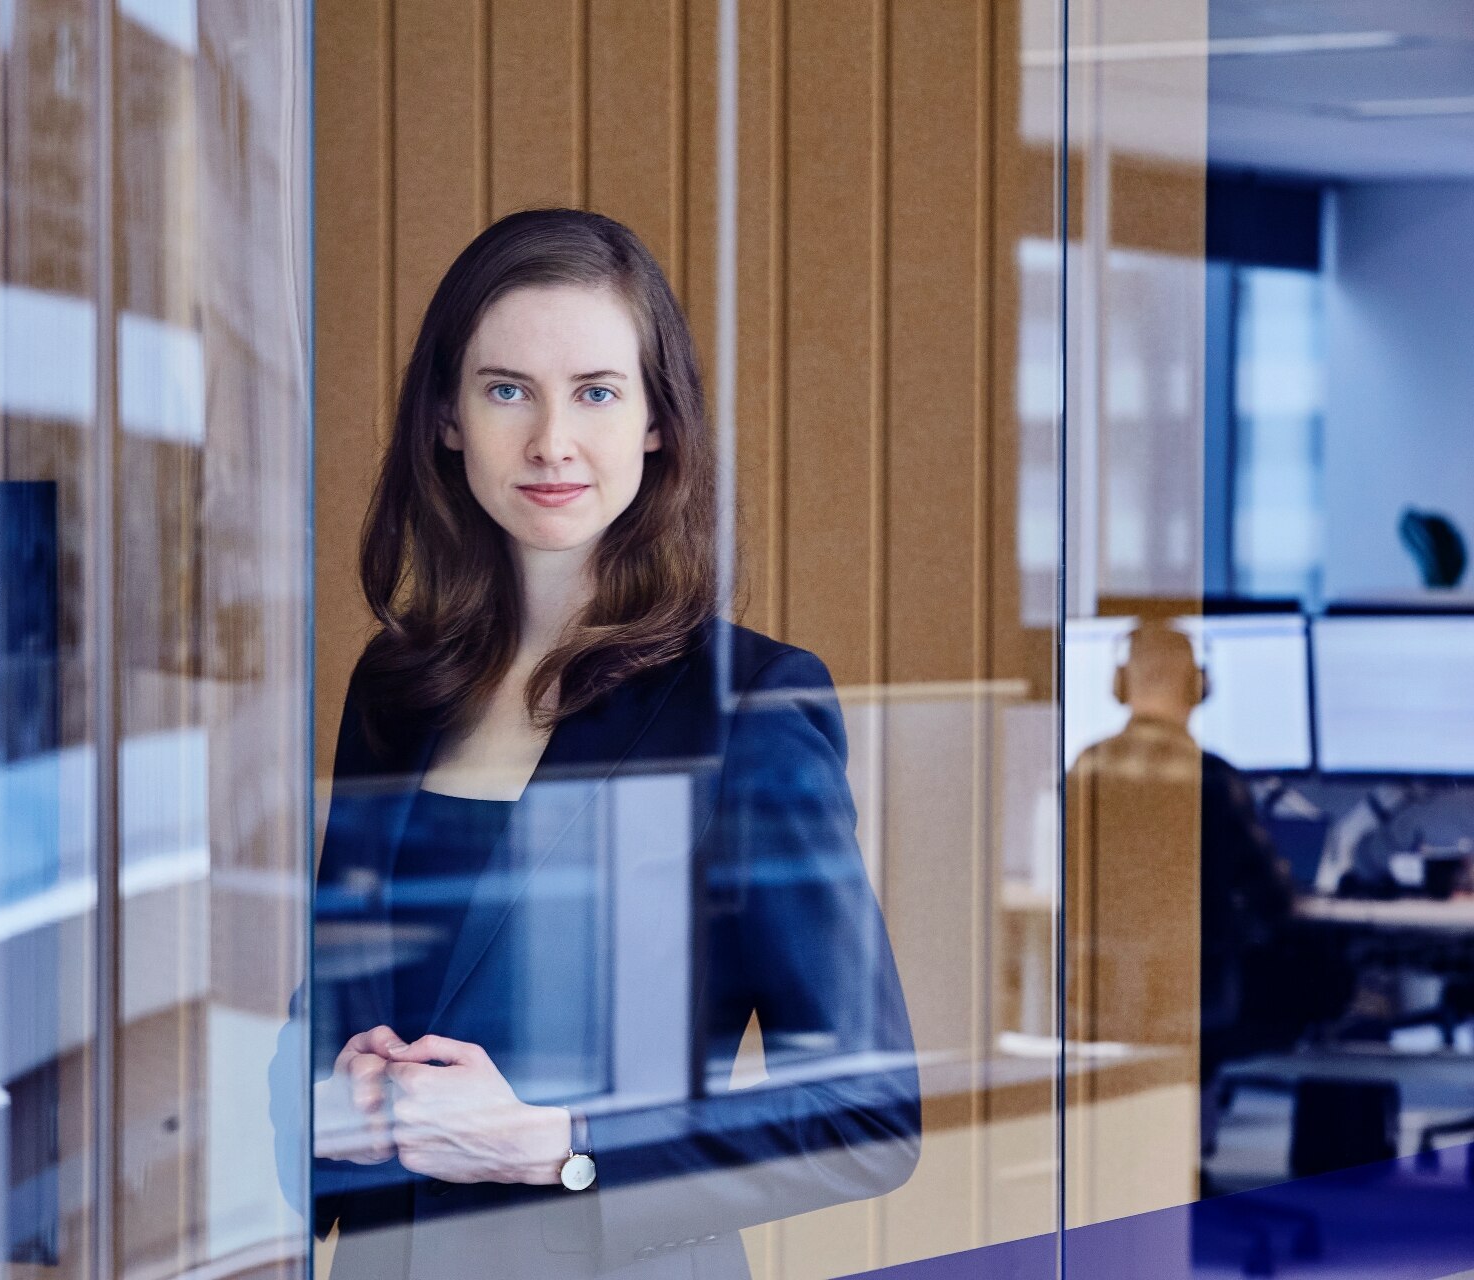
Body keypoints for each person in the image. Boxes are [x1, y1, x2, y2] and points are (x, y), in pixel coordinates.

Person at [273, 209, 919, 1279]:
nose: (551, 441)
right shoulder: (394, 689)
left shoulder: (749, 704)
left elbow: (866, 1114)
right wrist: (323, 1111)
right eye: (506, 388)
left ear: (658, 422)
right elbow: (330, 1003)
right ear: (447, 416)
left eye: (597, 392)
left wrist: (565, 1145)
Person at [1066, 622, 1298, 1164]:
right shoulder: (1213, 779)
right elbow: (1274, 904)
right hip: (1195, 998)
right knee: (1323, 972)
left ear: (1121, 684)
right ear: (1199, 688)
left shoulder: (1085, 768)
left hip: (1098, 993)